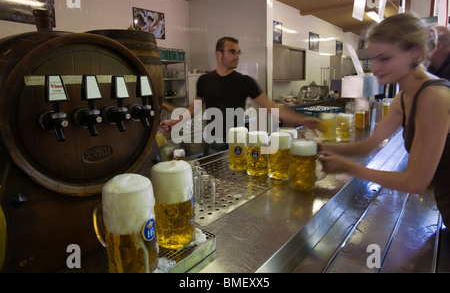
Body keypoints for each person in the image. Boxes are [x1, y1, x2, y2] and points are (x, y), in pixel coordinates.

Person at [319, 13, 450, 227]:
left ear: (414, 53)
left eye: (385, 58)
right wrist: (318, 146)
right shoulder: (405, 96)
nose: (375, 68)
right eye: (372, 59)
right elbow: (368, 145)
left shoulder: (433, 96)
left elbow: (416, 182)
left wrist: (347, 167)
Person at [160, 36, 320, 155]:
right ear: (219, 54)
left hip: (237, 143)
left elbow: (271, 106)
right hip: (212, 143)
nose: (237, 56)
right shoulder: (205, 80)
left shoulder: (245, 82)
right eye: (232, 51)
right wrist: (176, 121)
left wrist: (302, 120)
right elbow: (194, 108)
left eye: (238, 52)